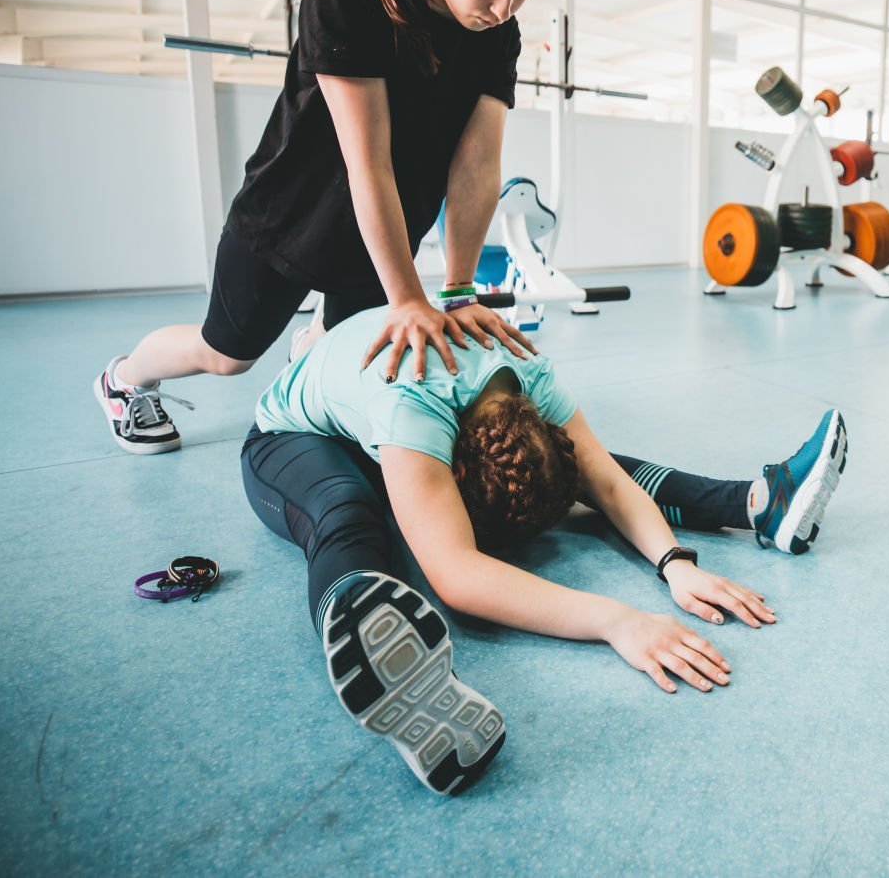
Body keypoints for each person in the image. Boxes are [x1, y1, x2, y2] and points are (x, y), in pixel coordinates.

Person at [241, 305, 849, 795]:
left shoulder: (527, 371)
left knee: (580, 468)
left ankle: (761, 504)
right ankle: (360, 610)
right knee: (345, 511)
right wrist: (617, 620)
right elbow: (457, 575)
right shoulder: (413, 406)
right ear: (453, 471)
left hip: (382, 427)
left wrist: (674, 564)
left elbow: (606, 480)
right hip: (291, 442)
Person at [94, 0, 551, 455]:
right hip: (290, 216)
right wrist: (407, 297)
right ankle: (124, 379)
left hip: (385, 228)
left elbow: (477, 166)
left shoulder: (497, 35)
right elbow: (368, 162)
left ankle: (314, 343)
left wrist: (457, 290)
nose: (503, 7)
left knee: (354, 347)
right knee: (228, 354)